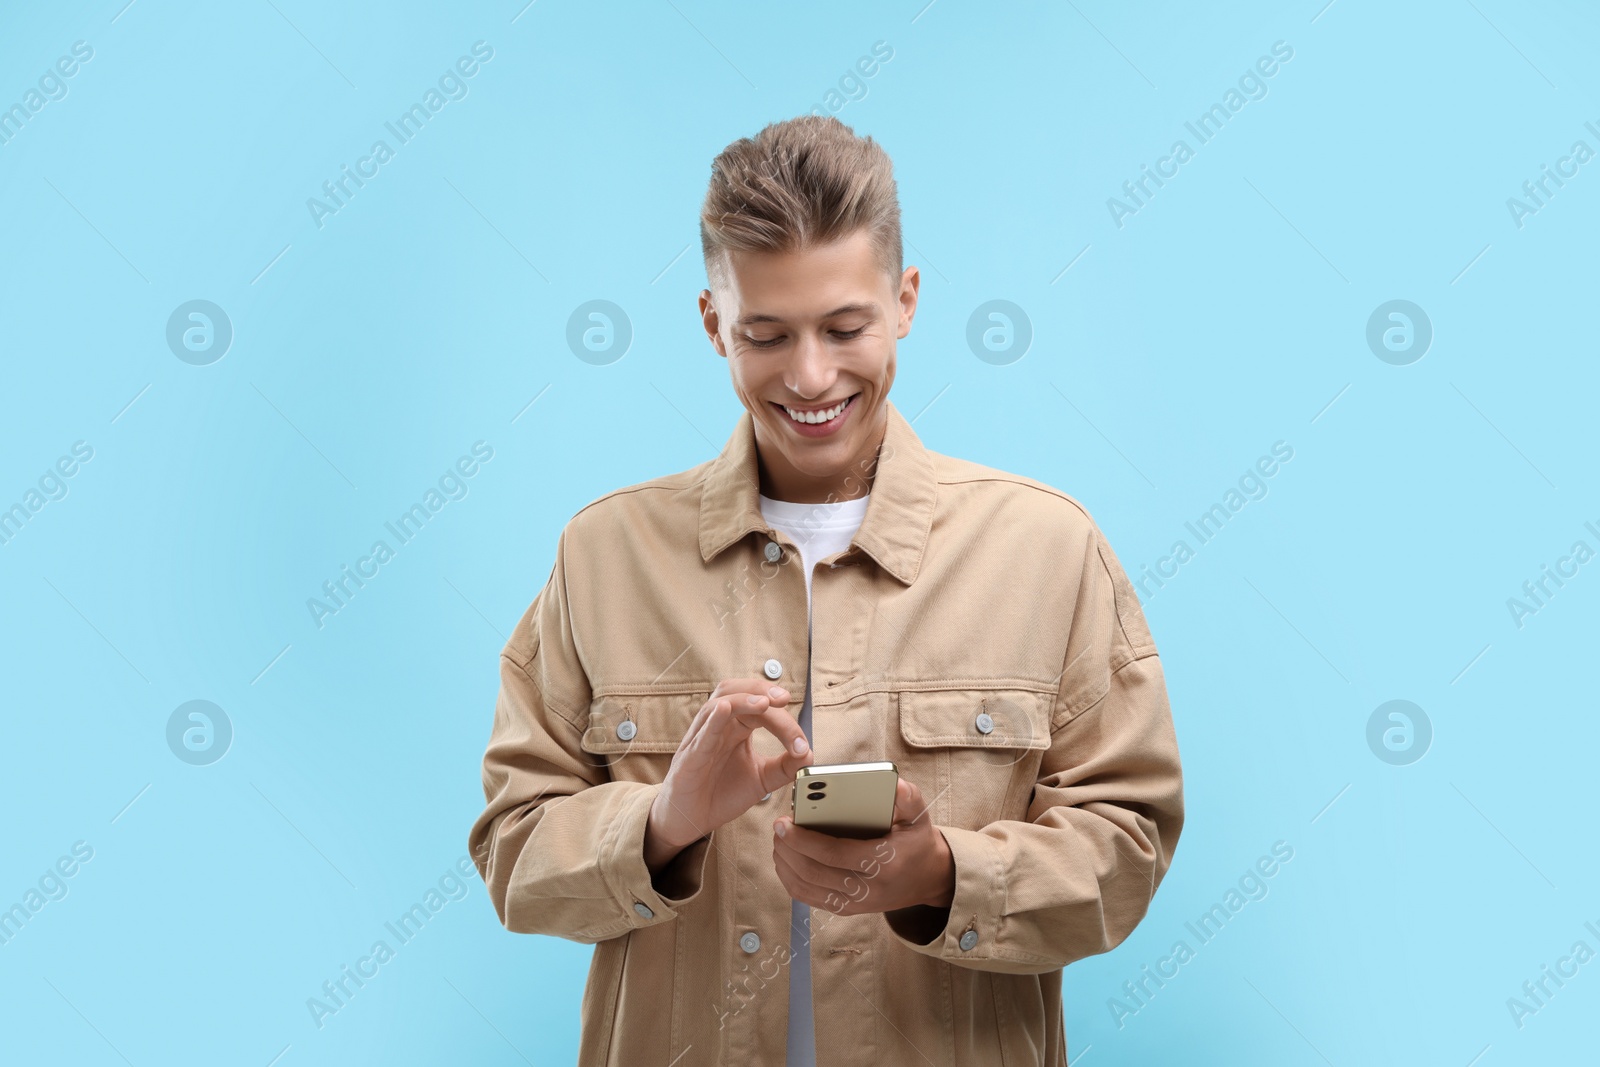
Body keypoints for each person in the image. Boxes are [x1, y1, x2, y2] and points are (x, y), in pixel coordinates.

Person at [468, 114, 1185, 1067]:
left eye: (846, 327)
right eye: (766, 334)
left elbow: (1127, 849)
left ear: (906, 300)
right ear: (713, 322)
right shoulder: (603, 555)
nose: (811, 376)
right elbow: (513, 855)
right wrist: (666, 821)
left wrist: (942, 874)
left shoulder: (1049, 550)